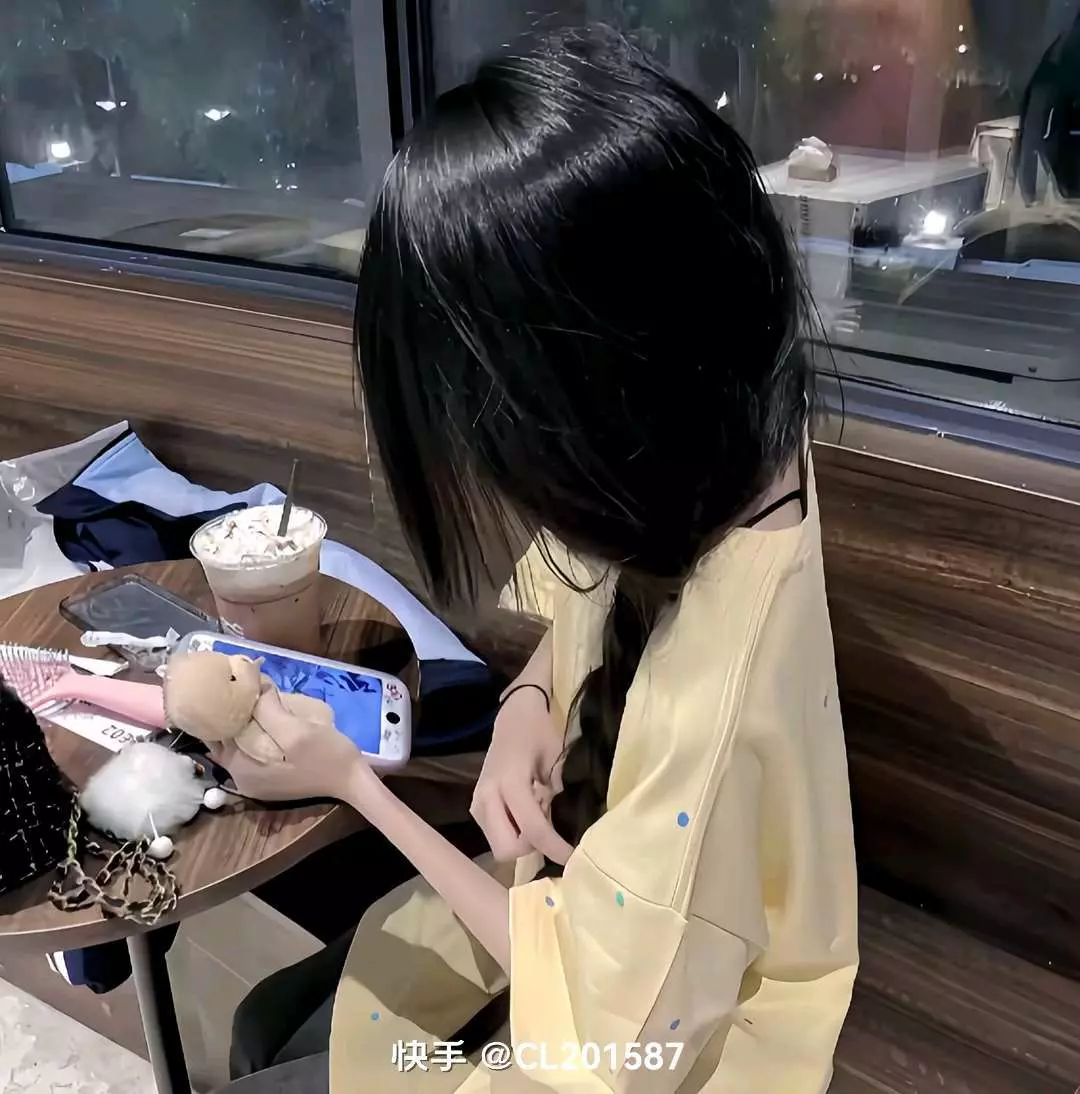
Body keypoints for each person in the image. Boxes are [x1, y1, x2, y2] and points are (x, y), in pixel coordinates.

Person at [213, 25, 858, 1094]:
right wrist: (527, 702)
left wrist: (354, 785)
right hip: (601, 910)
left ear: (591, 404)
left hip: (660, 1036)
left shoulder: (709, 711)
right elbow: (589, 609)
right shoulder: (727, 433)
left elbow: (602, 1031)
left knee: (277, 1045)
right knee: (267, 1022)